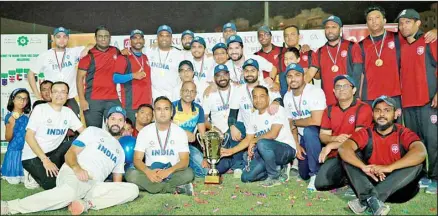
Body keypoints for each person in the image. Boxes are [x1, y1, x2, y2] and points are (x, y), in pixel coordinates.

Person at [1, 106, 140, 215]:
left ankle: (86, 204)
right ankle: (10, 206)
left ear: (124, 124)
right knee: (69, 193)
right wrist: (77, 168)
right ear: (107, 120)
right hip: (74, 174)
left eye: (120, 120)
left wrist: (112, 191)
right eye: (113, 118)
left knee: (132, 190)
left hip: (94, 185)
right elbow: (70, 154)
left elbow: (117, 183)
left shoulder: (120, 152)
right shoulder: (93, 131)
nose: (116, 122)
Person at [339, 95, 427, 215]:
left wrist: (388, 168)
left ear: (396, 114)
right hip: (371, 181)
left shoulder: (403, 133)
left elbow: (421, 152)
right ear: (373, 114)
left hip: (398, 187)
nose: (381, 114)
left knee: (417, 164)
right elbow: (344, 148)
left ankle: (367, 200)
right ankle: (373, 200)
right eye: (378, 110)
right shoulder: (366, 132)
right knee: (349, 158)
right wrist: (363, 167)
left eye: (387, 110)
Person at [358, 6, 436, 112]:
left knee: (396, 128)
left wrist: (435, 31)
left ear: (384, 20)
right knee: (370, 128)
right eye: (370, 19)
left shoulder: (397, 37)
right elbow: (360, 73)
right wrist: (358, 96)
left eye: (377, 17)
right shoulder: (361, 45)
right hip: (369, 96)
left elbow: (416, 36)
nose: (374, 21)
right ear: (366, 23)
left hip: (394, 95)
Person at [397, 9, 437, 194]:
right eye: (401, 23)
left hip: (428, 102)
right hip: (408, 104)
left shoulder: (430, 41)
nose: (403, 26)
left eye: (407, 22)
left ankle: (435, 178)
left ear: (418, 23)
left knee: (433, 141)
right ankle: (420, 176)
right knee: (416, 143)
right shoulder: (401, 46)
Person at [223, 85, 296, 186]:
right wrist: (231, 151)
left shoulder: (277, 110)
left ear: (268, 98)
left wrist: (254, 141)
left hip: (286, 150)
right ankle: (277, 169)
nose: (258, 100)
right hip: (265, 153)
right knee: (246, 177)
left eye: (262, 96)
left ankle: (274, 176)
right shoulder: (253, 116)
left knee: (262, 143)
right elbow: (248, 138)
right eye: (255, 97)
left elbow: (273, 134)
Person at [222, 59, 282, 177]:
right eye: (247, 71)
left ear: (258, 72)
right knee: (235, 129)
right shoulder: (239, 90)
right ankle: (238, 166)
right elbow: (232, 114)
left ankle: (274, 162)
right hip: (248, 127)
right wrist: (232, 125)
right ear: (243, 73)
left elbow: (280, 100)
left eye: (253, 70)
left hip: (266, 127)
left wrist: (275, 102)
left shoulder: (267, 85)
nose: (249, 73)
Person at [125, 96, 195, 195]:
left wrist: (167, 172)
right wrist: (148, 172)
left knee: (188, 173)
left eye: (166, 109)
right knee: (130, 174)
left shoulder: (180, 132)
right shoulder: (145, 132)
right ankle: (171, 188)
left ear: (171, 112)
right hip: (151, 171)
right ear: (154, 113)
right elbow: (137, 159)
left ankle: (154, 187)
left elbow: (184, 161)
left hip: (172, 171)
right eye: (158, 109)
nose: (162, 112)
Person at [22, 81, 85, 190]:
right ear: (50, 94)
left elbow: (84, 132)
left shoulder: (68, 112)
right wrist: (45, 160)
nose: (59, 95)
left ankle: (68, 169)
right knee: (53, 185)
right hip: (34, 155)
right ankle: (32, 174)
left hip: (54, 152)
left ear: (67, 96)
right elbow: (28, 136)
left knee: (79, 141)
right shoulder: (41, 109)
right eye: (55, 91)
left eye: (63, 92)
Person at [315, 75, 372, 191]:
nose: (341, 89)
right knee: (321, 183)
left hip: (357, 152)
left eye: (346, 86)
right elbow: (323, 136)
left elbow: (357, 138)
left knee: (351, 154)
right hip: (336, 154)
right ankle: (347, 180)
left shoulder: (363, 108)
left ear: (354, 90)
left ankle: (361, 182)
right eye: (338, 86)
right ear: (333, 91)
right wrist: (334, 139)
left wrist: (331, 145)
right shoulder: (329, 110)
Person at [28, 27, 92, 117]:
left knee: (74, 128)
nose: (62, 40)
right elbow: (30, 73)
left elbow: (92, 45)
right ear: (54, 38)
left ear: (68, 39)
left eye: (64, 37)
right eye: (58, 37)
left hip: (69, 98)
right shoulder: (45, 55)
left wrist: (87, 48)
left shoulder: (73, 52)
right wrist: (37, 94)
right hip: (52, 99)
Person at [283, 63, 326, 191]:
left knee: (309, 130)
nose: (293, 79)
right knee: (303, 174)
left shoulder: (314, 91)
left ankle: (315, 175)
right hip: (303, 138)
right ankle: (314, 168)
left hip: (318, 134)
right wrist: (296, 144)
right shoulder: (287, 96)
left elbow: (316, 121)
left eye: (297, 75)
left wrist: (296, 122)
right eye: (289, 76)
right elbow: (290, 123)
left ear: (303, 76)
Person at [306, 16, 363, 106]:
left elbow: (358, 74)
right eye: (327, 27)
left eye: (334, 27)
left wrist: (355, 96)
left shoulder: (352, 46)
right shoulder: (319, 51)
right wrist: (297, 87)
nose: (330, 30)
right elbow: (310, 74)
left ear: (340, 29)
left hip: (348, 100)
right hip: (327, 102)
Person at [77, 25, 122, 128]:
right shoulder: (88, 55)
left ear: (110, 38)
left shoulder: (116, 51)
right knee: (93, 131)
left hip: (112, 99)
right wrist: (82, 100)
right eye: (100, 36)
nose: (103, 38)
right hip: (93, 100)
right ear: (95, 38)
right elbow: (79, 79)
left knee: (116, 130)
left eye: (106, 36)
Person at [203, 64, 242, 177]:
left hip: (235, 131)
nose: (222, 78)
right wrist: (214, 129)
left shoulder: (238, 89)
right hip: (219, 138)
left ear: (229, 75)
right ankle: (232, 162)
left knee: (235, 128)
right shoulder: (209, 94)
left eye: (224, 74)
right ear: (214, 78)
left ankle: (238, 167)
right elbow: (204, 119)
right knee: (219, 168)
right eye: (218, 76)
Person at [113, 29, 152, 124]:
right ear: (130, 41)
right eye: (135, 38)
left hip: (146, 105)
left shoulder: (145, 57)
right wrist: (133, 75)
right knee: (131, 134)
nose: (138, 40)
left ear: (144, 41)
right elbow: (115, 78)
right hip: (131, 106)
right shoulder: (124, 57)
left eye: (140, 38)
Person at [172, 81, 208, 178]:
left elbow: (203, 135)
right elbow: (164, 126)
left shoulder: (198, 109)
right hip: (170, 146)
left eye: (192, 91)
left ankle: (186, 167)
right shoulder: (172, 106)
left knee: (206, 171)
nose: (189, 93)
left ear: (195, 94)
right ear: (181, 92)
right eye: (186, 91)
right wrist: (183, 133)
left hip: (187, 147)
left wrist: (205, 157)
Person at [145, 25, 183, 100]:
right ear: (157, 38)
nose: (164, 38)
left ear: (171, 38)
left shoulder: (179, 54)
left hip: (173, 96)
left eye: (167, 36)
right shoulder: (149, 51)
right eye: (161, 35)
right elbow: (134, 51)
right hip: (154, 95)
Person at [2, 88, 31, 184]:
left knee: (27, 178)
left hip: (25, 151)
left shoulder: (28, 117)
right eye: (19, 98)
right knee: (14, 181)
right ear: (13, 99)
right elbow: (8, 138)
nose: (22, 101)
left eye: (25, 98)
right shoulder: (9, 117)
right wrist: (11, 125)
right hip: (14, 151)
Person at [188, 36, 215, 105]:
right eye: (194, 47)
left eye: (200, 47)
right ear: (190, 49)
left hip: (208, 99)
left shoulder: (211, 60)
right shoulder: (187, 61)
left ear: (204, 49)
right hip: (191, 100)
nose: (196, 49)